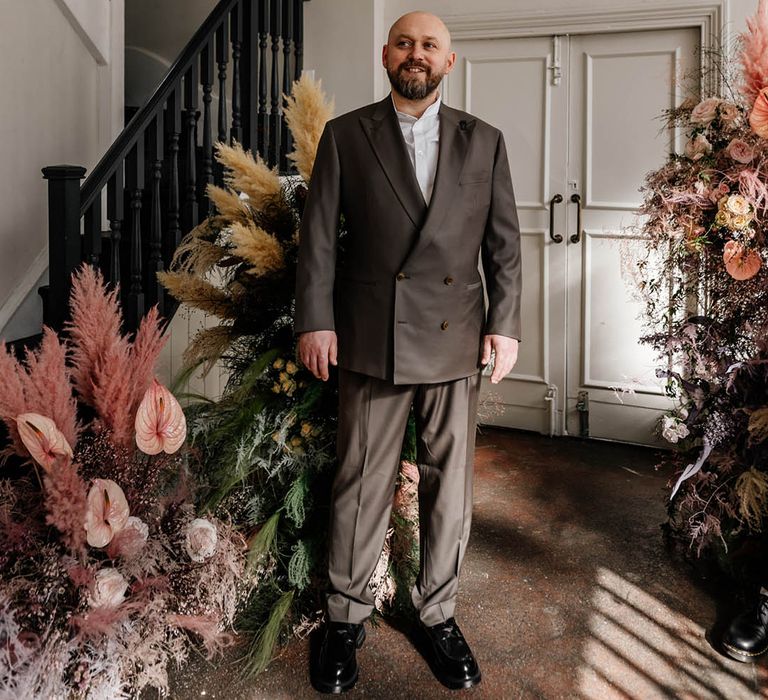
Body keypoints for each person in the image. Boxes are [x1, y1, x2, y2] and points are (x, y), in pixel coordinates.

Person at [294, 10, 522, 694]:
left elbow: (504, 244)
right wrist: (315, 320)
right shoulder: (345, 136)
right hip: (371, 334)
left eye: (429, 46)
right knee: (361, 481)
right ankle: (343, 618)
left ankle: (438, 614)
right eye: (404, 43)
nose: (415, 54)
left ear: (449, 63)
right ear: (385, 54)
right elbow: (320, 243)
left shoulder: (485, 141)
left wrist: (505, 324)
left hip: (456, 334)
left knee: (449, 486)